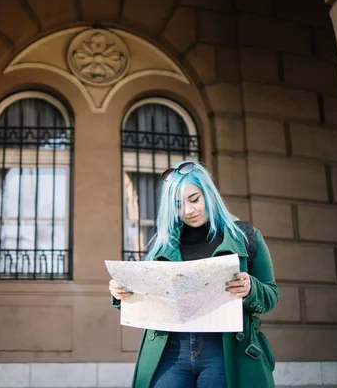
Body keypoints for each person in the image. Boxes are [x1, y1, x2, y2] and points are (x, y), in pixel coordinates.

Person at [109, 161, 278, 388]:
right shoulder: (163, 244)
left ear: (209, 193)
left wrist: (251, 289)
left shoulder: (246, 235)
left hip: (224, 349)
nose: (188, 211)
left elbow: (270, 294)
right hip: (169, 351)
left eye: (194, 199)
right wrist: (122, 294)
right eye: (178, 204)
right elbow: (146, 297)